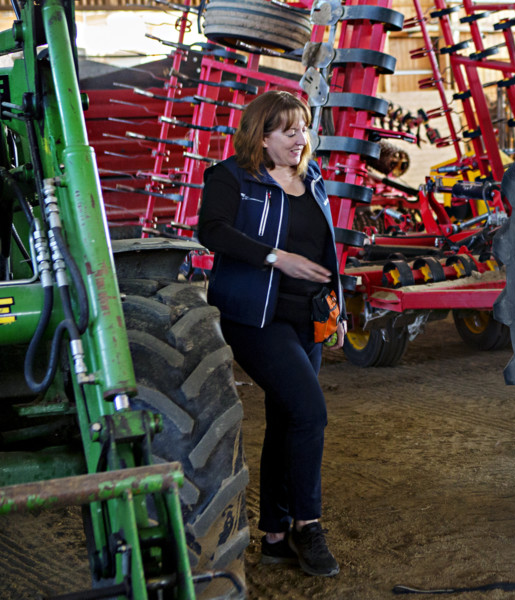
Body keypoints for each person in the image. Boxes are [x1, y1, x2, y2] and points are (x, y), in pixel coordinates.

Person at [198, 90, 344, 577]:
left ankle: (276, 535)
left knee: (288, 420)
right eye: (289, 132)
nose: (302, 140)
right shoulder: (232, 178)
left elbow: (324, 255)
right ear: (261, 137)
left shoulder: (313, 181)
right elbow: (211, 230)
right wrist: (273, 257)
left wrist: (336, 311)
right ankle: (308, 525)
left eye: (304, 129)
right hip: (256, 319)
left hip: (308, 318)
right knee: (310, 411)